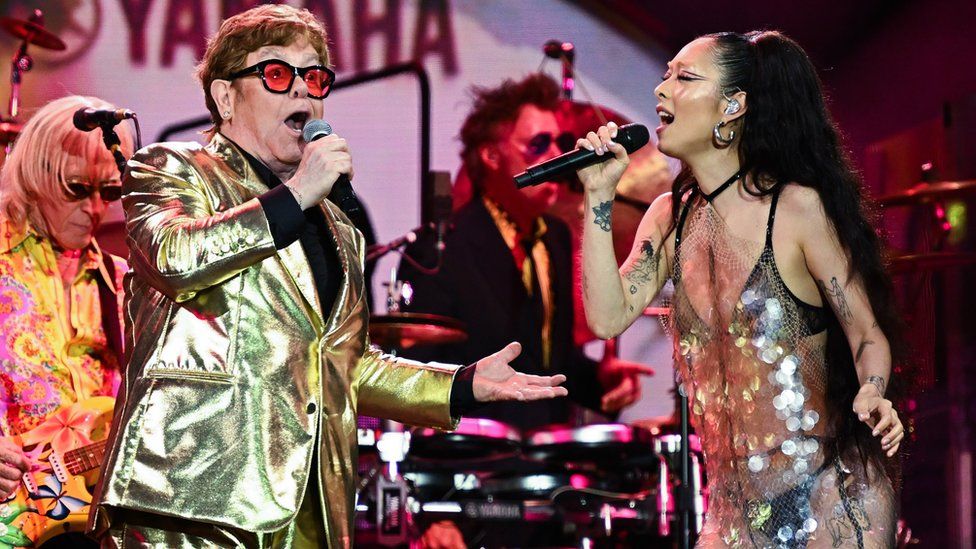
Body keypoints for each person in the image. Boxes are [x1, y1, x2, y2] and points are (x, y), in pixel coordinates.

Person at [89, 6, 566, 548]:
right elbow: (174, 257)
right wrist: (296, 195)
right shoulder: (174, 168)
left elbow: (343, 365)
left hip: (307, 509)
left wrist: (459, 386)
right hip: (190, 499)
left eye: (314, 78)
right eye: (277, 74)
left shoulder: (337, 225)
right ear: (225, 97)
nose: (303, 93)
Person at [579, 31, 905, 547]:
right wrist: (598, 196)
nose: (662, 90)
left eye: (685, 78)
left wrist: (874, 390)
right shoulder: (670, 218)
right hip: (731, 514)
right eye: (665, 75)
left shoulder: (796, 210)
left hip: (829, 496)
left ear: (732, 106)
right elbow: (606, 317)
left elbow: (867, 334)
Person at [399, 73, 653, 432]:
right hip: (473, 453)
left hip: (544, 451)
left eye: (560, 142)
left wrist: (600, 381)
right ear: (491, 155)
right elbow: (423, 369)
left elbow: (551, 361)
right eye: (538, 144)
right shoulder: (439, 247)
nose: (555, 155)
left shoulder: (555, 238)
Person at [0, 95, 132, 547]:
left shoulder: (121, 281)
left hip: (78, 523)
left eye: (110, 193)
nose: (95, 209)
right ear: (35, 175)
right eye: (78, 188)